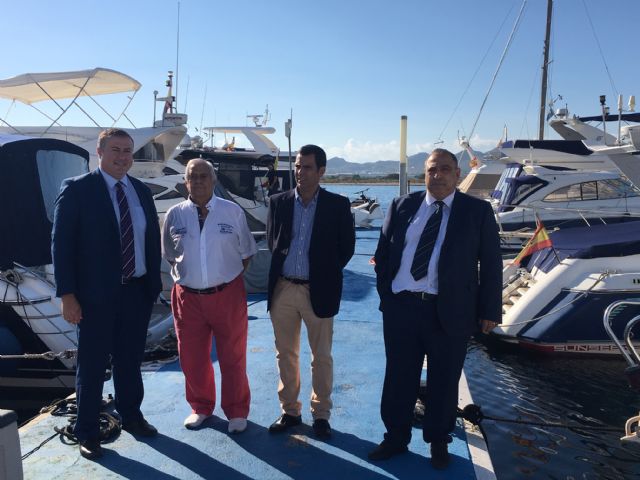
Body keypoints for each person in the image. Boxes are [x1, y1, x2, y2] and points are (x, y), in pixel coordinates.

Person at [368, 148, 502, 469]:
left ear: (457, 175)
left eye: (445, 169)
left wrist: (489, 310)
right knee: (399, 377)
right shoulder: (402, 206)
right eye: (431, 170)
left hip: (449, 310)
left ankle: (439, 441)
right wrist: (388, 296)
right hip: (402, 309)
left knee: (444, 378)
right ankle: (395, 437)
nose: (437, 175)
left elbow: (492, 265)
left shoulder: (477, 211)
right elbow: (384, 253)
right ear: (424, 174)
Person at [52, 128, 163, 460]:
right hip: (94, 298)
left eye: (128, 151)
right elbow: (61, 245)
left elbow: (148, 240)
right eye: (115, 149)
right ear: (99, 153)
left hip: (136, 293)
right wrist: (67, 295)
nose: (122, 156)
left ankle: (131, 416)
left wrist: (151, 287)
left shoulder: (141, 191)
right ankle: (88, 431)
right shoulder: (78, 190)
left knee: (130, 361)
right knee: (92, 365)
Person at [266, 144, 355, 439]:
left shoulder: (338, 205)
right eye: (297, 166)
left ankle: (321, 414)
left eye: (306, 167)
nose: (299, 172)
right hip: (284, 288)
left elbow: (346, 249)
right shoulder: (278, 202)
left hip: (318, 289)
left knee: (322, 356)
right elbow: (273, 243)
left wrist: (322, 273)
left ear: (321, 171)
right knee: (286, 354)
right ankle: (290, 411)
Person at [162, 158, 257, 433]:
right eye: (193, 176)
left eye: (204, 176)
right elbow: (170, 254)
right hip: (187, 298)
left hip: (227, 294)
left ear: (213, 181)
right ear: (185, 182)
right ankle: (201, 407)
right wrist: (196, 278)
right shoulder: (174, 215)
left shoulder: (232, 212)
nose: (199, 181)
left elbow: (246, 253)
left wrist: (221, 277)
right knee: (191, 357)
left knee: (233, 356)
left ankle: (237, 410)